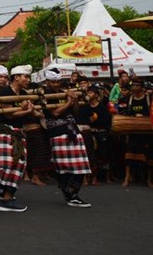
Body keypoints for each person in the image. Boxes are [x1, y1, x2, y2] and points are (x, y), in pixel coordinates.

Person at [0, 65, 32, 213]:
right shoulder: (4, 92)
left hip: (18, 132)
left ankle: (7, 199)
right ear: (16, 77)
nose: (28, 80)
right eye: (26, 77)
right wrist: (26, 110)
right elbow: (9, 115)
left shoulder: (25, 93)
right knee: (5, 163)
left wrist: (31, 111)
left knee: (19, 165)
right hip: (3, 131)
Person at [44, 71, 92, 207]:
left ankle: (74, 194)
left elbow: (75, 112)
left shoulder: (65, 92)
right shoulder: (44, 95)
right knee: (62, 168)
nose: (56, 84)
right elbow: (54, 113)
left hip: (73, 130)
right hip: (57, 132)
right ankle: (69, 194)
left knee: (81, 166)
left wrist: (75, 99)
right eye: (53, 82)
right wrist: (69, 101)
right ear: (47, 82)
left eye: (58, 82)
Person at [76, 83, 112, 185]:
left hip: (100, 133)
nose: (88, 94)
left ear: (96, 95)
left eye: (91, 92)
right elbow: (81, 119)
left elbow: (105, 121)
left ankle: (96, 177)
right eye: (88, 92)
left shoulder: (102, 107)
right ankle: (85, 178)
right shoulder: (84, 107)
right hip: (87, 133)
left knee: (99, 155)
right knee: (86, 155)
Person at [118, 76, 150, 187]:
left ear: (142, 88)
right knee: (129, 154)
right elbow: (123, 113)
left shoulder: (148, 98)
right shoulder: (128, 99)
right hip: (132, 130)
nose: (134, 87)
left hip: (146, 131)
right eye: (133, 85)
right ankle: (127, 176)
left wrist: (144, 116)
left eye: (137, 85)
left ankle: (149, 179)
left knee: (148, 155)